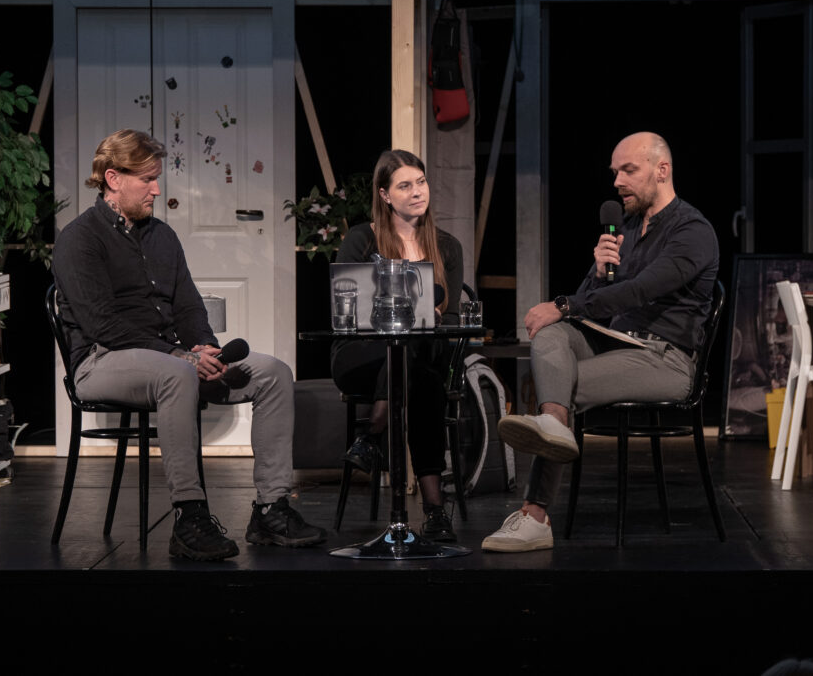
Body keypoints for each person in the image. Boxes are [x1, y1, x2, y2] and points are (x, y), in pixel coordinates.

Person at [52, 129, 326, 562]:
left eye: (156, 179)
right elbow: (102, 324)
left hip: (169, 359)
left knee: (273, 372)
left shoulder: (162, 236)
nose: (156, 190)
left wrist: (203, 348)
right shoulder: (79, 238)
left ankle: (271, 509)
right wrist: (179, 356)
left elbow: (188, 307)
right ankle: (189, 517)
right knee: (178, 373)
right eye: (147, 179)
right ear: (113, 178)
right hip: (101, 361)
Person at [482, 132, 719, 552]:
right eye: (615, 172)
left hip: (667, 358)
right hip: (618, 342)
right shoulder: (626, 227)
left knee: (561, 382)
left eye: (629, 170)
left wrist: (563, 304)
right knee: (552, 333)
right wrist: (596, 271)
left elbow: (639, 291)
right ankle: (553, 426)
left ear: (662, 170)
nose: (617, 182)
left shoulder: (693, 231)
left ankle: (535, 515)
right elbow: (591, 306)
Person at [330, 149, 463, 542]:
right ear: (385, 195)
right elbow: (345, 307)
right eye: (405, 186)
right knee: (411, 360)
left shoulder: (447, 246)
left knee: (417, 365)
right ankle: (435, 509)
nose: (417, 192)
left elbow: (453, 318)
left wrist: (432, 318)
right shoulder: (362, 238)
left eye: (421, 182)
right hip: (362, 355)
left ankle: (371, 436)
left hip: (419, 357)